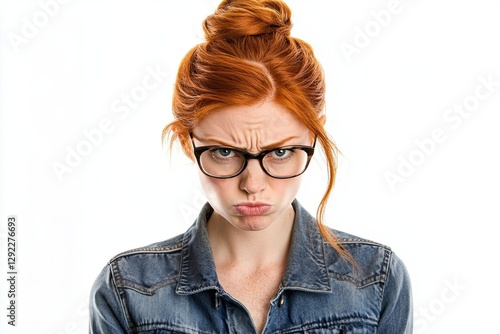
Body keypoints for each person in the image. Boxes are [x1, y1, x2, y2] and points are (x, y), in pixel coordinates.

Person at [89, 0, 413, 333]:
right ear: (187, 142)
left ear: (314, 137)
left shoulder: (376, 280)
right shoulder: (128, 291)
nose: (253, 184)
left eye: (282, 152)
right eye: (225, 153)